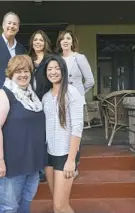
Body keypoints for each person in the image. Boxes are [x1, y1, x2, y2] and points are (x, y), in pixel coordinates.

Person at [0, 55, 46, 213]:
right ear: (10, 73)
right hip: (10, 164)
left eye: (26, 71)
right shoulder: (3, 95)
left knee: (25, 205)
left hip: (31, 163)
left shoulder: (32, 97)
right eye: (18, 71)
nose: (23, 74)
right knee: (9, 208)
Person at [42, 55, 84, 213]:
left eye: (57, 68)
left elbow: (77, 127)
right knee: (56, 204)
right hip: (49, 154)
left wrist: (71, 160)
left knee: (61, 205)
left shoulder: (72, 93)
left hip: (65, 154)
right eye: (50, 69)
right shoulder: (46, 97)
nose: (53, 72)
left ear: (63, 71)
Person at [55, 30, 95, 177]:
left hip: (75, 100)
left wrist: (78, 94)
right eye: (62, 39)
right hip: (59, 100)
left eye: (68, 38)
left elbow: (90, 80)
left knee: (75, 131)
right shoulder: (57, 59)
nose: (65, 41)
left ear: (72, 41)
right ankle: (62, 162)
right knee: (62, 131)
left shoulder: (79, 58)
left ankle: (74, 163)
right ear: (59, 43)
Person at [27, 30, 52, 182]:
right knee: (33, 136)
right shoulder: (28, 60)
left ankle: (45, 169)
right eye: (35, 39)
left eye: (41, 40)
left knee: (46, 136)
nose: (38, 42)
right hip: (30, 103)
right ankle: (35, 168)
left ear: (45, 43)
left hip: (47, 102)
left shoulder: (51, 59)